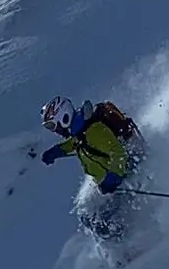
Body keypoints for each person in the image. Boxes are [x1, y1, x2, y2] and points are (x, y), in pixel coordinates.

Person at [40, 96, 145, 242]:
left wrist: (113, 178)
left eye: (52, 125)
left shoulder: (94, 131)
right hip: (112, 182)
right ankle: (124, 245)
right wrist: (56, 152)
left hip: (127, 177)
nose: (54, 131)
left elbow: (118, 153)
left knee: (105, 220)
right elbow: (75, 143)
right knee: (88, 216)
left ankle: (138, 241)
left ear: (63, 118)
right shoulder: (80, 130)